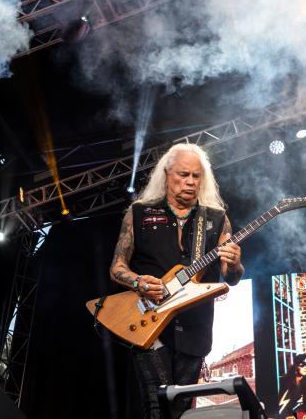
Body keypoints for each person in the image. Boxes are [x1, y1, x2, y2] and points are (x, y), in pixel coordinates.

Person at [109, 143, 244, 419]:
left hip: (195, 328)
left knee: (180, 409)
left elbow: (232, 278)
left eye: (196, 176)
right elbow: (117, 267)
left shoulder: (217, 219)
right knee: (156, 404)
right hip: (149, 322)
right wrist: (139, 282)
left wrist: (235, 263)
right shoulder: (139, 213)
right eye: (183, 174)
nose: (190, 182)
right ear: (167, 174)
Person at [277, 353, 306, 418]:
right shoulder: (286, 380)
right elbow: (282, 403)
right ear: (296, 366)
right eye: (302, 365)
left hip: (298, 413)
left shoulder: (305, 382)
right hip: (285, 413)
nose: (305, 368)